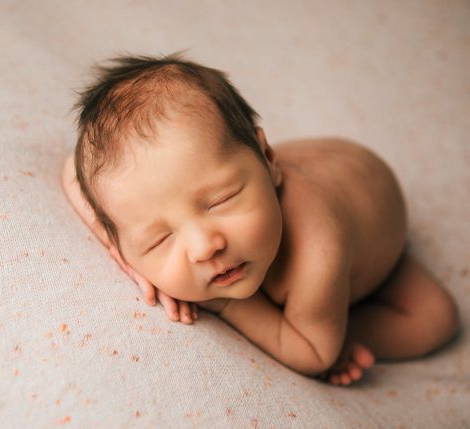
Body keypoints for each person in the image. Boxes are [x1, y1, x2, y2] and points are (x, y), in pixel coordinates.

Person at [62, 53, 459, 385]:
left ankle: (333, 322)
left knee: (437, 320)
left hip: (377, 236)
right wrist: (123, 253)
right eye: (159, 239)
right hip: (316, 176)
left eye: (221, 200)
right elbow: (72, 173)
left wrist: (226, 305)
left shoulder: (316, 252)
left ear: (269, 162)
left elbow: (313, 355)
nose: (205, 246)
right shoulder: (143, 194)